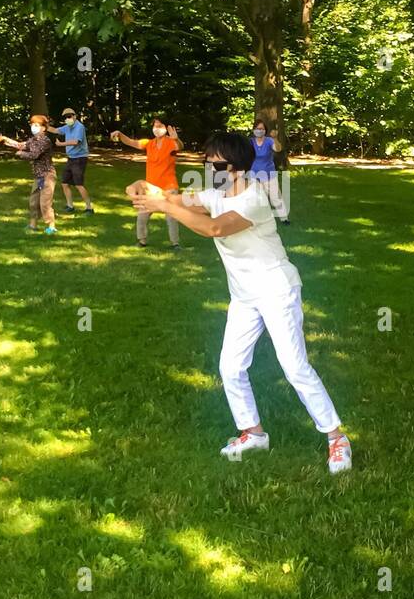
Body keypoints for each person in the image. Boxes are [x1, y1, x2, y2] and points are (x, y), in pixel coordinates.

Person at [128, 131, 351, 474]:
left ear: (237, 167)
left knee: (294, 367)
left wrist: (164, 204)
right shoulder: (215, 193)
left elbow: (215, 229)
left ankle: (336, 438)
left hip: (277, 290)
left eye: (216, 163)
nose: (209, 167)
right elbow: (176, 197)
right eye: (206, 161)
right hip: (244, 296)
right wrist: (145, 188)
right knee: (230, 367)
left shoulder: (254, 199)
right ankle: (253, 433)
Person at [110, 117, 181, 249]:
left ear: (166, 128)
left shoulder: (171, 143)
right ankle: (142, 241)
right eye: (155, 126)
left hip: (169, 186)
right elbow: (131, 142)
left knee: (171, 217)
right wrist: (120, 134)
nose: (157, 128)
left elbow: (179, 147)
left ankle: (175, 244)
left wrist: (176, 139)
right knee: (142, 216)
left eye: (160, 126)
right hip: (150, 188)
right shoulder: (149, 143)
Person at [0, 115, 57, 234]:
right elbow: (21, 145)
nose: (33, 127)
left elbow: (34, 154)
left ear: (44, 128)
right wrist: (6, 140)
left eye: (36, 125)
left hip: (47, 175)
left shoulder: (44, 141)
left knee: (45, 203)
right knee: (34, 202)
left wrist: (20, 154)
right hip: (38, 176)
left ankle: (51, 227)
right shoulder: (33, 140)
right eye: (32, 125)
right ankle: (32, 226)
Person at [52, 107, 94, 215]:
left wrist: (61, 144)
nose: (68, 119)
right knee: (65, 183)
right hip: (71, 159)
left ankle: (89, 208)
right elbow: (55, 130)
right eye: (66, 117)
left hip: (80, 159)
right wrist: (43, 125)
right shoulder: (67, 127)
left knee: (79, 184)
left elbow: (75, 142)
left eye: (69, 116)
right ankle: (70, 206)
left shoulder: (80, 127)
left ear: (75, 116)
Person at [249, 118, 289, 222]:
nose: (259, 131)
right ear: (253, 130)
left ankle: (284, 218)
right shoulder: (250, 142)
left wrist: (275, 138)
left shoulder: (269, 141)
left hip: (269, 175)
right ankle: (257, 219)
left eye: (262, 129)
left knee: (275, 197)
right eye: (257, 128)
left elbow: (278, 149)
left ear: (265, 130)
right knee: (256, 199)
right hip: (254, 175)